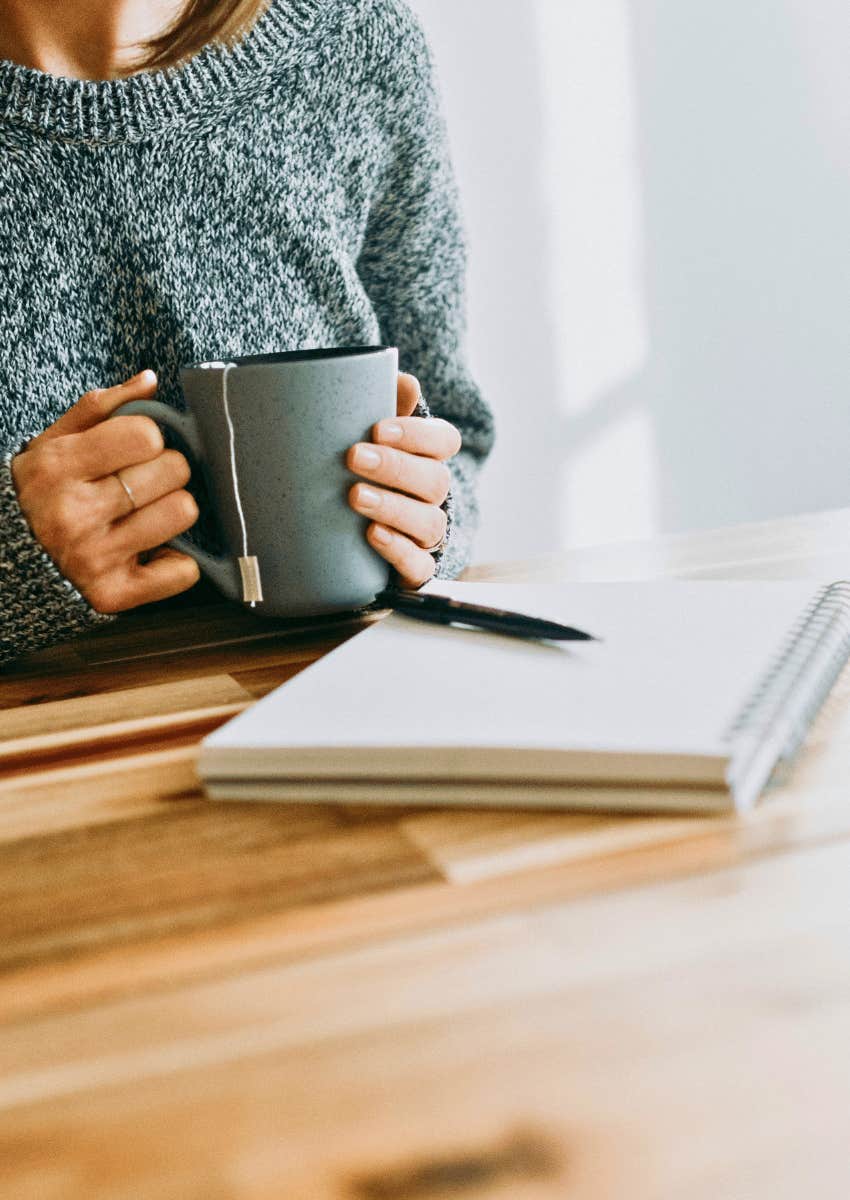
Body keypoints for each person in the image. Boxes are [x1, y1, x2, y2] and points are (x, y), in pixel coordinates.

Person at [0, 0, 494, 665]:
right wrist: (12, 570)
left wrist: (424, 522)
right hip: (49, 748)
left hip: (337, 708)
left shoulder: (353, 41)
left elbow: (454, 436)